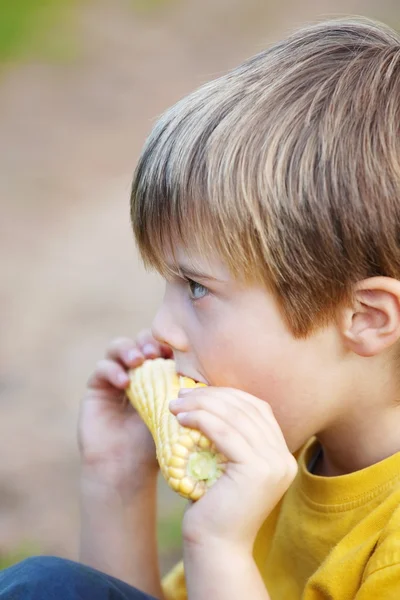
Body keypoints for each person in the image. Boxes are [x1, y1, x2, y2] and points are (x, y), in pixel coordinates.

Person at [2, 15, 400, 600]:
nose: (164, 329)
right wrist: (116, 478)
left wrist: (219, 546)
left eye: (196, 287)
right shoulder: (272, 458)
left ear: (366, 318)